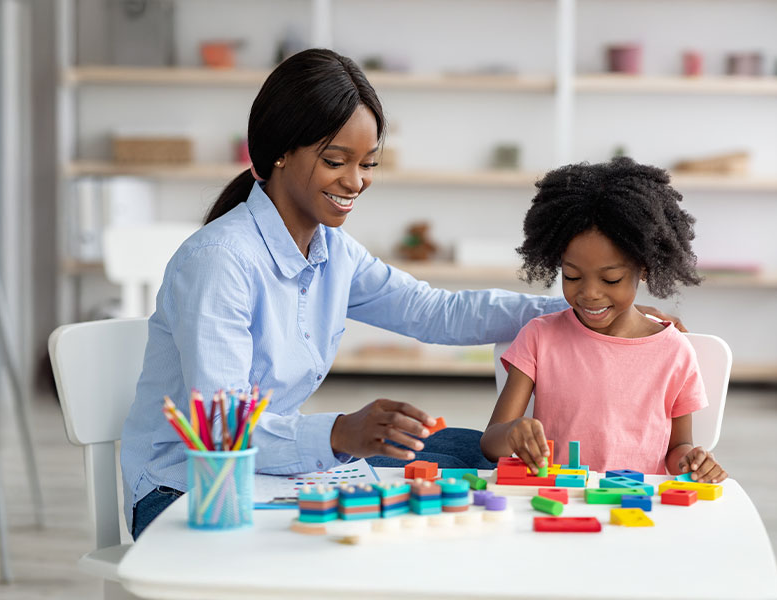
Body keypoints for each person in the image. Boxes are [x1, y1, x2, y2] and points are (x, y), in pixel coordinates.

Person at [120, 49, 680, 538]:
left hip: (272, 470)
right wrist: (343, 431)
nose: (355, 181)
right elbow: (222, 427)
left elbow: (433, 311)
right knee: (431, 471)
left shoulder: (330, 251)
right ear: (277, 153)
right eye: (336, 161)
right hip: (186, 490)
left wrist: (579, 304)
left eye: (368, 164)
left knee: (467, 451)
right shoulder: (220, 263)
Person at [480, 157, 728, 484]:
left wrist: (692, 461)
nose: (590, 294)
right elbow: (490, 444)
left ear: (644, 268)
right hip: (558, 500)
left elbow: (677, 448)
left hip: (634, 505)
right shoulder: (539, 337)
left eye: (610, 280)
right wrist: (512, 432)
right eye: (572, 276)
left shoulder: (675, 351)